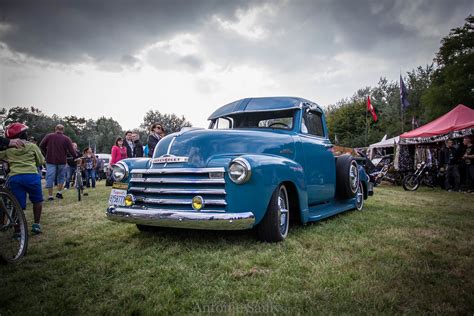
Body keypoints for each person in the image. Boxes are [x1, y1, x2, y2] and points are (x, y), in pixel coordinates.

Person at [0, 123, 45, 234]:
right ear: (24, 134)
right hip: (32, 177)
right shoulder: (32, 146)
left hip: (15, 177)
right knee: (37, 201)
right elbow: (41, 161)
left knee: (17, 204)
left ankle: (18, 230)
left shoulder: (8, 150)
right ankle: (36, 224)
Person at [39, 124, 78, 200]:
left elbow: (41, 145)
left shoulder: (49, 136)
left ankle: (50, 196)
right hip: (62, 161)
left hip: (50, 160)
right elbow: (71, 150)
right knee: (61, 177)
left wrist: (46, 152)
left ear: (55, 129)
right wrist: (76, 157)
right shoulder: (66, 139)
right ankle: (59, 193)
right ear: (63, 130)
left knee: (50, 177)